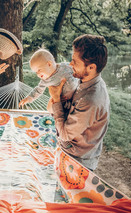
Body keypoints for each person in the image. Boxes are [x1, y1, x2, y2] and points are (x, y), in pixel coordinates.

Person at [48, 34, 109, 171]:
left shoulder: (91, 99)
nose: (70, 64)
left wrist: (56, 99)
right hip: (72, 152)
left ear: (91, 68)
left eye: (75, 62)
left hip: (77, 162)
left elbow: (64, 134)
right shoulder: (84, 81)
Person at [18, 49, 78, 115]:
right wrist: (29, 98)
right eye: (36, 72)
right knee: (52, 110)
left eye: (39, 70)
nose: (38, 74)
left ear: (49, 64)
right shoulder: (45, 81)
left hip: (78, 95)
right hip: (64, 103)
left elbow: (77, 70)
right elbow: (38, 90)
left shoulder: (66, 66)